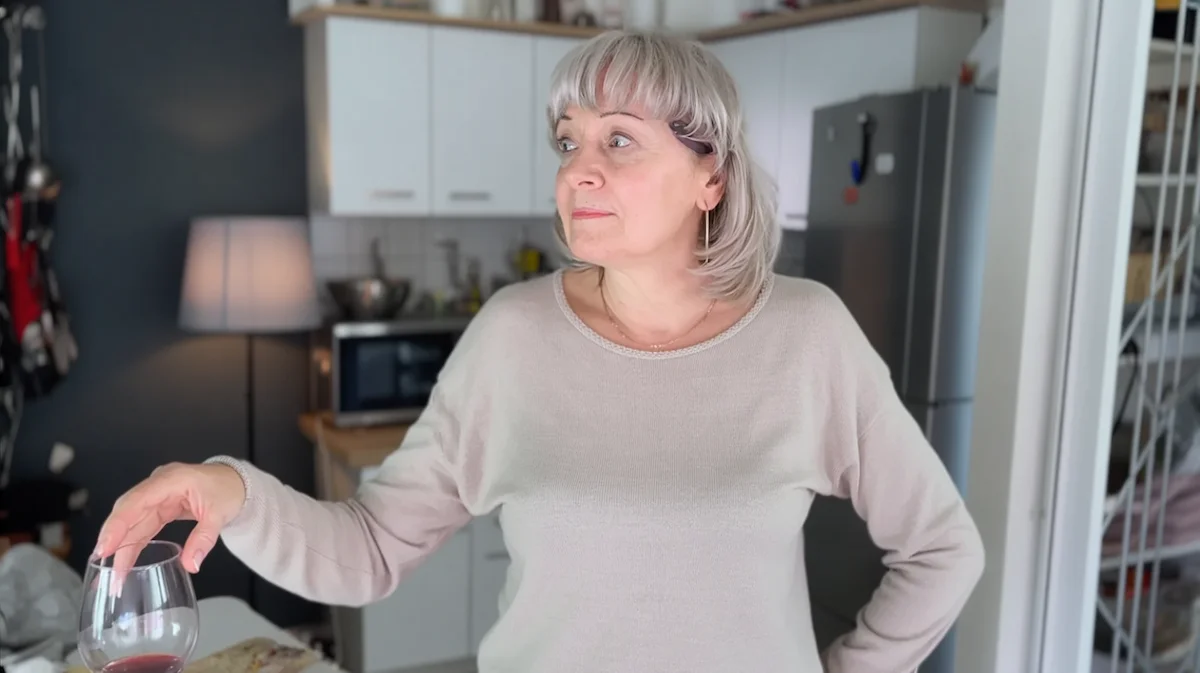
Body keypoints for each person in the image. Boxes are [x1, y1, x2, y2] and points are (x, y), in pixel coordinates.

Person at [95, 30, 984, 673]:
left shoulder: (808, 333)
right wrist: (230, 488)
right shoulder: (513, 334)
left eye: (619, 140)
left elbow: (945, 549)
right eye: (569, 142)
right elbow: (367, 549)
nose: (576, 170)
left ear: (710, 175)